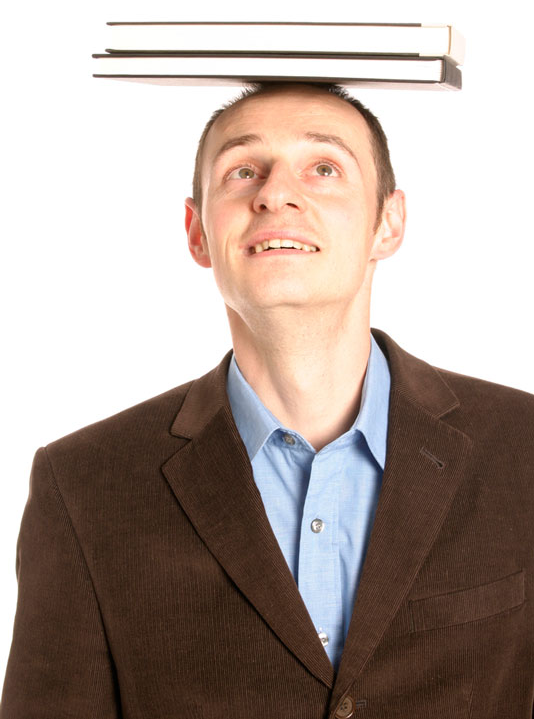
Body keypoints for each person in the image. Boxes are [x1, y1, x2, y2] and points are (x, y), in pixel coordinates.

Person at [1, 81, 533, 719]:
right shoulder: (83, 484)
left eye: (324, 168)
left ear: (387, 222)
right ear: (198, 232)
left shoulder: (522, 449)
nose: (275, 193)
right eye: (243, 171)